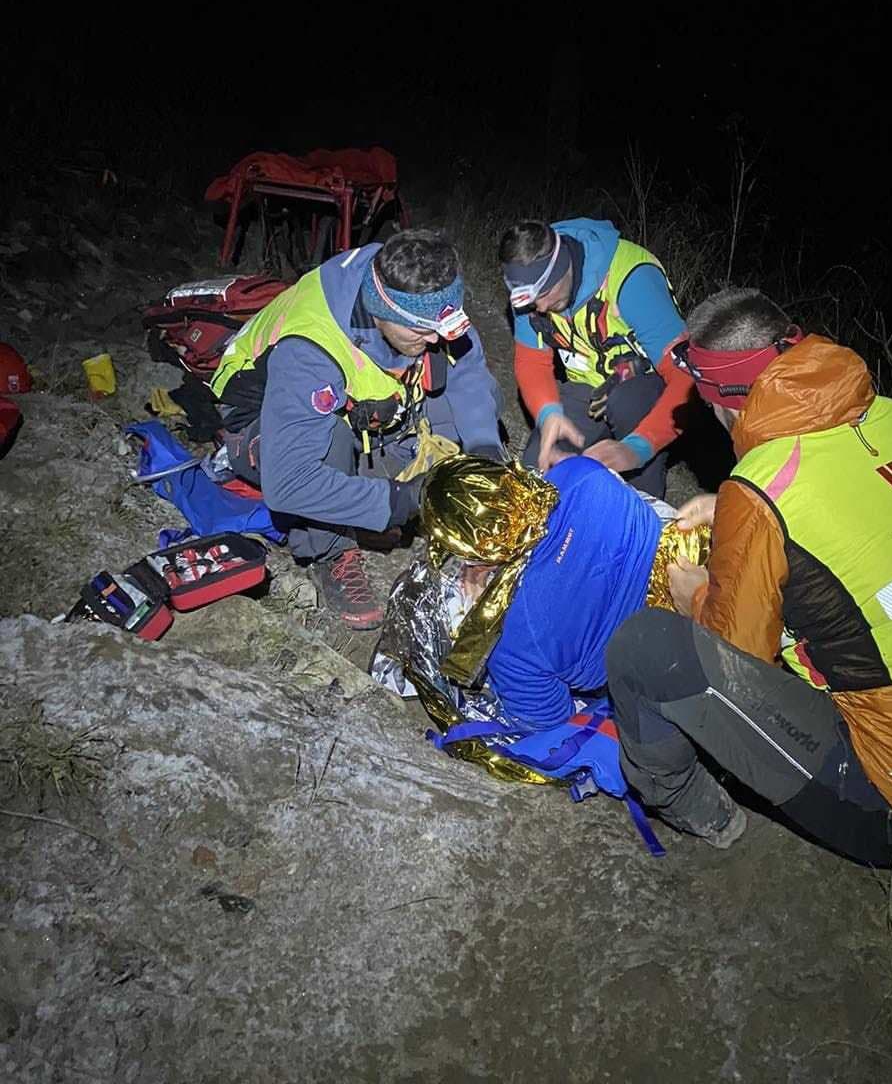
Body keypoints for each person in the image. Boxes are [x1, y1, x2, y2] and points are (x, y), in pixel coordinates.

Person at [605, 286, 892, 862]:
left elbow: (732, 652)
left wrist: (695, 595)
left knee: (643, 647)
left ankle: (694, 808)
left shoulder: (762, 487)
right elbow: (866, 515)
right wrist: (731, 506)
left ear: (725, 403)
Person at [210, 229, 504, 628]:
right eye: (421, 331)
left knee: (478, 400)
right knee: (330, 440)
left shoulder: (414, 280)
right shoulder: (311, 349)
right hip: (264, 419)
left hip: (367, 404)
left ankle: (375, 497)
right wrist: (403, 500)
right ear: (381, 312)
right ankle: (331, 550)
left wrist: (485, 449)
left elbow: (468, 367)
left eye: (443, 326)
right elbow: (290, 484)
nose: (437, 338)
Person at [383, 452, 706, 732]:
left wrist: (476, 613)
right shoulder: (580, 473)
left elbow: (553, 728)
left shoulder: (514, 642)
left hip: (671, 671)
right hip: (708, 579)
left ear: (468, 555)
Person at [497, 217, 694, 499]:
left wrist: (636, 449)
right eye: (528, 300)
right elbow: (532, 362)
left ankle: (643, 512)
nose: (538, 308)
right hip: (588, 388)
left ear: (564, 266)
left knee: (628, 403)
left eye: (545, 293)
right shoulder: (532, 294)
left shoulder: (632, 279)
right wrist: (548, 413)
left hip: (645, 388)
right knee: (535, 476)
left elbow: (685, 379)